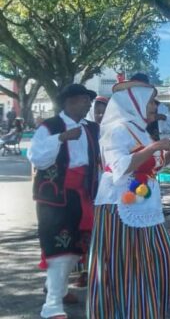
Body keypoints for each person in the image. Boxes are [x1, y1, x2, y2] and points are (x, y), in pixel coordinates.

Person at [87, 77, 170, 318]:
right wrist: (153, 148)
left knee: (158, 260)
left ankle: (145, 311)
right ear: (136, 102)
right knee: (126, 267)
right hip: (118, 207)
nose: (156, 106)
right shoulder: (116, 129)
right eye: (152, 102)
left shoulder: (139, 130)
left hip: (142, 202)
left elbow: (151, 167)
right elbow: (120, 166)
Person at [28, 84, 101, 319]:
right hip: (54, 197)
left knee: (77, 246)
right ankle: (51, 306)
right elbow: (37, 157)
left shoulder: (92, 128)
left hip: (84, 195)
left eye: (88, 100)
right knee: (59, 247)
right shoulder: (50, 127)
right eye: (84, 100)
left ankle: (56, 289)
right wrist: (61, 138)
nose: (89, 104)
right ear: (69, 102)